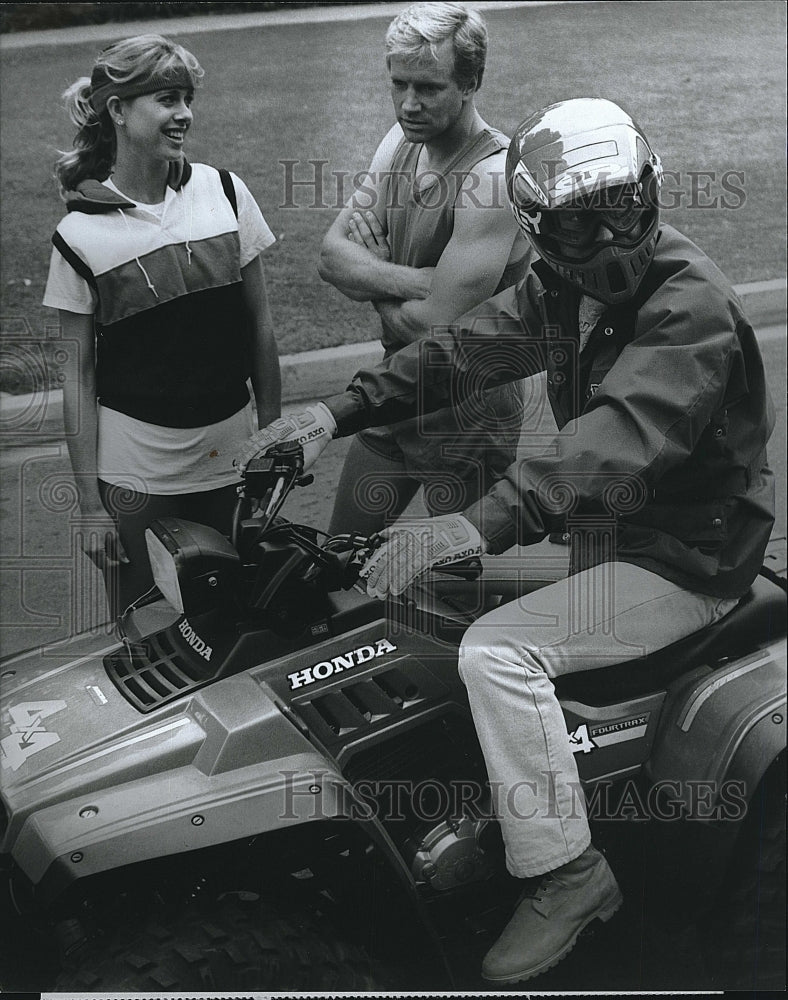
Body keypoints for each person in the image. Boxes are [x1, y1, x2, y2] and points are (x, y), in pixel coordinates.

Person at [235, 98, 775, 983]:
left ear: (653, 193)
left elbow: (612, 444)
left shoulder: (691, 308)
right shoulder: (558, 289)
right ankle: (486, 805)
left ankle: (569, 872)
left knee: (498, 653)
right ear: (537, 231)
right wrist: (329, 413)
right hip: (618, 540)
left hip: (686, 558)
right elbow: (459, 353)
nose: (607, 246)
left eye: (624, 212)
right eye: (574, 228)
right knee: (409, 602)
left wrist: (468, 523)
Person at [43, 35, 281, 620]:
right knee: (145, 620)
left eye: (187, 98)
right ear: (118, 110)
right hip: (136, 473)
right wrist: (89, 508)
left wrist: (275, 439)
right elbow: (78, 377)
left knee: (235, 617)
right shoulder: (78, 237)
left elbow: (261, 328)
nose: (184, 115)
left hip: (232, 454)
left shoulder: (225, 192)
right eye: (167, 99)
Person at [316, 1, 531, 535]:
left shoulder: (492, 180)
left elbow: (435, 330)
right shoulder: (401, 141)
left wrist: (371, 274)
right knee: (341, 555)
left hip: (467, 411)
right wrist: (413, 283)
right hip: (394, 388)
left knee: (456, 583)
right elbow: (330, 255)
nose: (408, 104)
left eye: (428, 88)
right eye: (399, 84)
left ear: (471, 80)